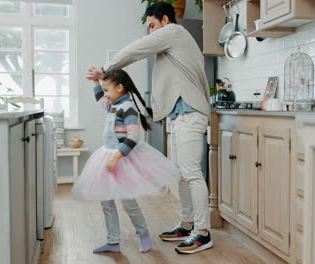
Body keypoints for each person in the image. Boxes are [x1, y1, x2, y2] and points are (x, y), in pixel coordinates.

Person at [86, 2, 213, 254]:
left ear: (165, 20)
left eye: (153, 26)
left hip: (190, 111)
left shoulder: (174, 32)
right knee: (181, 173)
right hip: (180, 113)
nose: (152, 32)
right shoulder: (170, 45)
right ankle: (187, 225)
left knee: (191, 173)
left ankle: (203, 232)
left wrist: (106, 70)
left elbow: (137, 48)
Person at [72, 68, 181, 254]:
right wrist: (96, 82)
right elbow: (101, 100)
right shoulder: (114, 104)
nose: (105, 95)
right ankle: (113, 241)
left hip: (123, 159)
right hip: (107, 156)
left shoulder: (128, 108)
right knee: (106, 202)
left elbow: (133, 137)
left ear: (120, 88)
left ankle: (144, 234)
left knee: (128, 202)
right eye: (104, 90)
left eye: (107, 90)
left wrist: (116, 157)